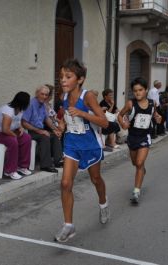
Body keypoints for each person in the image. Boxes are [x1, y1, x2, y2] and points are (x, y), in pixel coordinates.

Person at [54, 59, 109, 243]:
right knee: (65, 183)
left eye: (68, 76)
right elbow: (66, 115)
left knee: (96, 179)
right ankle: (68, 225)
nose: (63, 80)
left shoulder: (88, 97)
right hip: (71, 143)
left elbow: (104, 122)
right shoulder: (63, 95)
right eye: (61, 76)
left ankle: (103, 204)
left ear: (80, 79)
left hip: (89, 144)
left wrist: (83, 113)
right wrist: (61, 125)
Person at [117, 77, 162, 204]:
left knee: (140, 162)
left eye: (140, 90)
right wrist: (123, 124)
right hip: (132, 138)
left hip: (145, 137)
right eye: (135, 91)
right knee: (135, 163)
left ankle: (136, 191)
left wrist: (158, 118)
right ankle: (141, 170)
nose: (138, 93)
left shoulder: (153, 103)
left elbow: (155, 115)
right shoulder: (130, 104)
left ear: (146, 90)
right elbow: (120, 115)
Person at [0, 91, 32, 180]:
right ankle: (10, 171)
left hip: (6, 133)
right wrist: (15, 136)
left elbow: (16, 122)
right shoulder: (8, 110)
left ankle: (22, 166)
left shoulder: (20, 110)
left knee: (27, 138)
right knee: (13, 141)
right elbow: (5, 129)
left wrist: (20, 128)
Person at [22, 85, 63, 173]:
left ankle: (58, 161)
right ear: (37, 94)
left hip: (39, 130)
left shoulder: (43, 105)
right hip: (30, 131)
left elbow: (47, 119)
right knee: (45, 137)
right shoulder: (30, 104)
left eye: (46, 95)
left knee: (54, 135)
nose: (44, 96)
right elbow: (24, 123)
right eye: (42, 94)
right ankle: (45, 165)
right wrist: (40, 131)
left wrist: (55, 129)